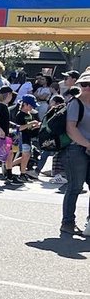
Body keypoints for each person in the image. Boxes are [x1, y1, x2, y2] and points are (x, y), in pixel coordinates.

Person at [60, 71, 90, 237]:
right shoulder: (75, 104)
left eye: (89, 85)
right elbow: (71, 129)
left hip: (87, 147)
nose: (86, 88)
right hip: (75, 149)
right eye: (83, 85)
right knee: (75, 187)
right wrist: (87, 144)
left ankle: (89, 223)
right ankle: (68, 222)